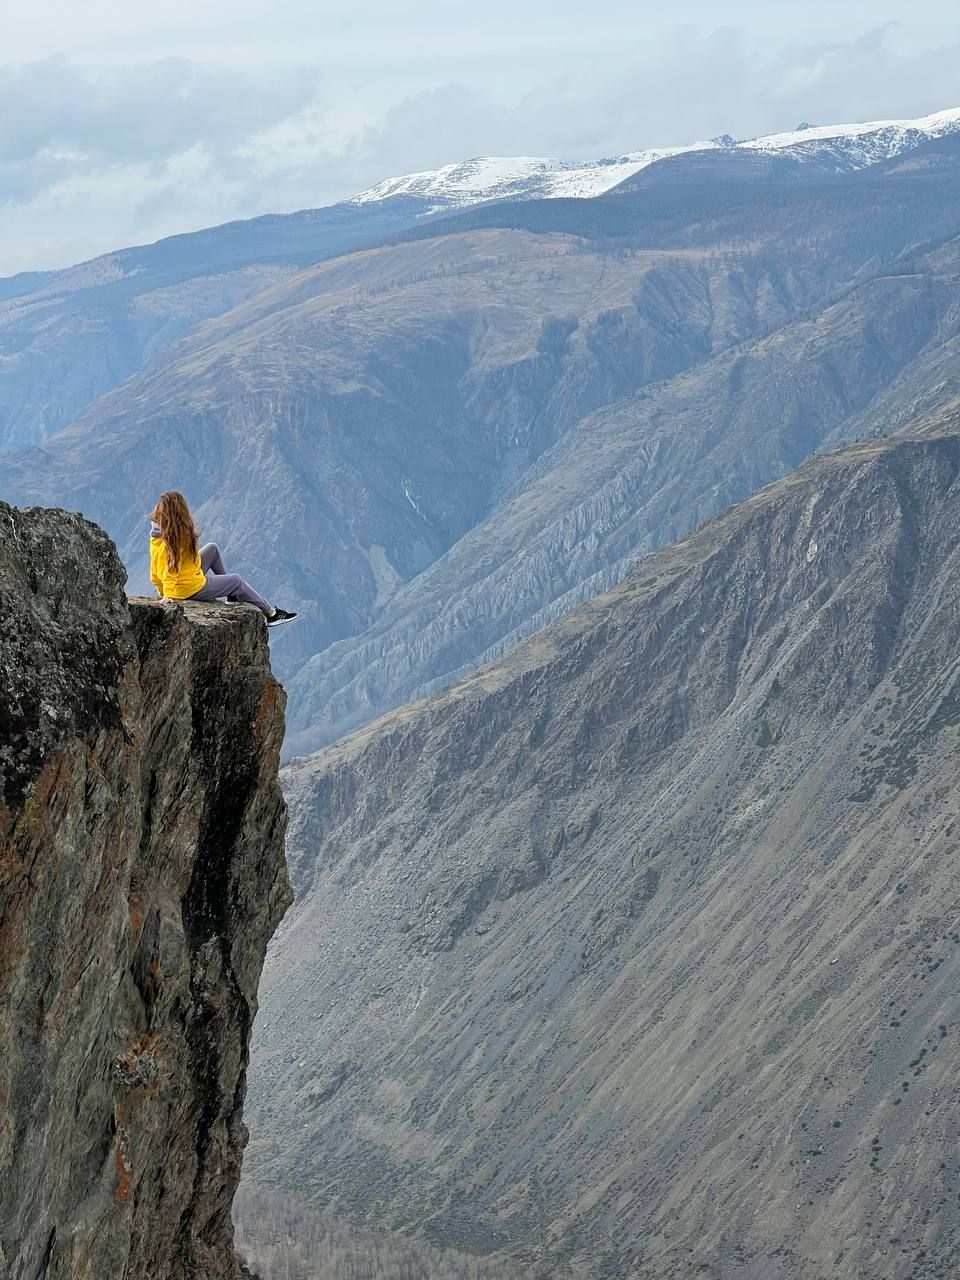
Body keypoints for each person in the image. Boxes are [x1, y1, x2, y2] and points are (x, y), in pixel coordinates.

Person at [149, 491, 297, 627]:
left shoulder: (157, 536)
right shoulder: (176, 538)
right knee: (236, 580)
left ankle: (231, 596)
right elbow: (169, 567)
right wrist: (168, 594)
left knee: (212, 549)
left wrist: (161, 591)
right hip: (188, 588)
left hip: (182, 581)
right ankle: (271, 614)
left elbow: (155, 568)